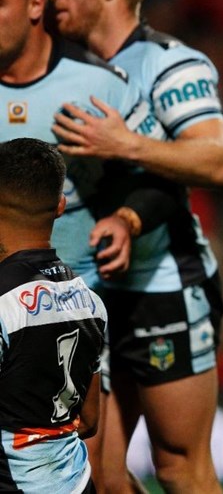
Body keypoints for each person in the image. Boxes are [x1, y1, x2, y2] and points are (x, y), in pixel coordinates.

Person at [47, 0, 223, 493]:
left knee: (178, 466)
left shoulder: (170, 63)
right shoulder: (64, 68)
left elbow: (219, 160)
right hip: (90, 290)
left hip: (164, 282)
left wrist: (125, 144)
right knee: (99, 474)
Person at [0, 0, 172, 490]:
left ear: (36, 5)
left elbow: (161, 179)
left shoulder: (99, 86)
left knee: (95, 473)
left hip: (69, 312)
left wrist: (127, 219)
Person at [0, 137, 107, 494]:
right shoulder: (91, 303)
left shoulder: (3, 303)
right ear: (61, 206)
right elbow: (89, 420)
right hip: (76, 483)